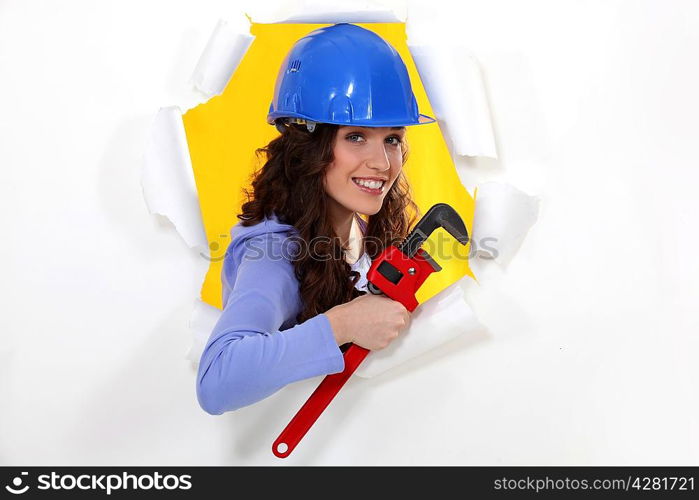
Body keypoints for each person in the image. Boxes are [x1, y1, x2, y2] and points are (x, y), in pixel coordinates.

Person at [196, 23, 435, 415]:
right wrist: (343, 323)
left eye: (392, 138)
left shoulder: (352, 225)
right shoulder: (273, 249)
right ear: (309, 144)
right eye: (356, 136)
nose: (382, 163)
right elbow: (217, 381)